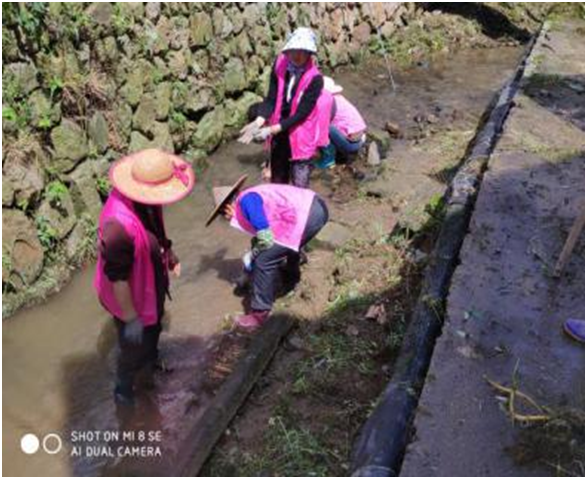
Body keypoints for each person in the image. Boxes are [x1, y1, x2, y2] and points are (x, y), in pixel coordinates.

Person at [94, 148, 195, 405]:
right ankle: (124, 391)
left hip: (148, 281)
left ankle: (148, 369)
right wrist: (131, 319)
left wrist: (169, 253)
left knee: (154, 328)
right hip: (127, 293)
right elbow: (117, 278)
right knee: (131, 346)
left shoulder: (145, 202)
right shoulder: (118, 227)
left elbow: (155, 231)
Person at [205, 175, 329, 331]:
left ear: (228, 208)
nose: (228, 219)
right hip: (316, 208)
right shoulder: (252, 195)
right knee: (284, 244)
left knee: (263, 260)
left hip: (308, 216)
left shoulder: (246, 201)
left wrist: (253, 256)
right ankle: (291, 277)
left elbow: (265, 234)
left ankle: (259, 313)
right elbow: (268, 231)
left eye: (225, 216)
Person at [239, 27, 332, 188]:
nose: (298, 55)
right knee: (278, 182)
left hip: (301, 135)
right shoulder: (280, 63)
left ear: (310, 53)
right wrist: (259, 121)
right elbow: (271, 98)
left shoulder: (315, 79)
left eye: (303, 51)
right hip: (279, 133)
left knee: (299, 187)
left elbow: (302, 114)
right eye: (294, 50)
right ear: (288, 50)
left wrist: (271, 130)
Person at [319, 76, 367, 168]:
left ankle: (329, 158)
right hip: (360, 136)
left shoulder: (327, 103)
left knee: (322, 125)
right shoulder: (339, 98)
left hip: (351, 144)